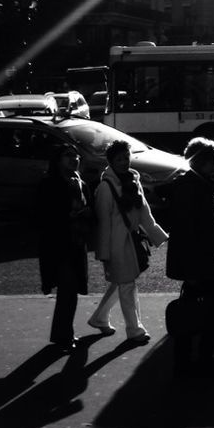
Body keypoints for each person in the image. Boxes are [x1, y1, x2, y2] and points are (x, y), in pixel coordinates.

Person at [162, 136, 214, 380]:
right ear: (202, 162)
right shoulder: (193, 188)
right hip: (197, 261)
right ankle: (202, 362)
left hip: (196, 260)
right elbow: (194, 229)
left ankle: (186, 365)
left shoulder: (197, 184)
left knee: (192, 311)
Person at [87, 139, 168, 344]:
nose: (124, 162)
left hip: (129, 241)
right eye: (119, 159)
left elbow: (144, 211)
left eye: (126, 157)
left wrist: (156, 233)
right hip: (117, 243)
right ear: (111, 161)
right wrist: (104, 252)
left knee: (122, 282)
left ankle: (99, 318)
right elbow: (104, 222)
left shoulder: (133, 179)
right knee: (127, 285)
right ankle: (135, 330)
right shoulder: (106, 187)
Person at [35, 146, 90, 350]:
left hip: (76, 242)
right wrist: (67, 216)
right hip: (58, 244)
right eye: (68, 156)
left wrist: (86, 215)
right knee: (68, 289)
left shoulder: (80, 183)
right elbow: (42, 214)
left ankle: (63, 334)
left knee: (71, 290)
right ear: (58, 160)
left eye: (75, 156)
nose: (74, 159)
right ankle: (64, 335)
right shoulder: (49, 184)